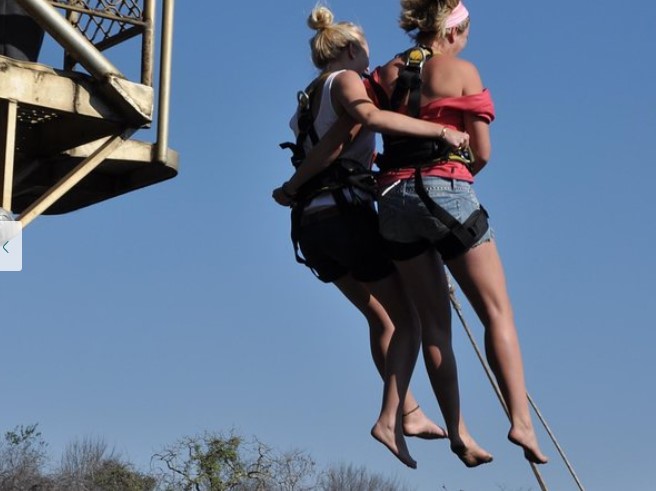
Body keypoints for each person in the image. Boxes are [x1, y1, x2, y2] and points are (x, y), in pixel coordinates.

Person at [273, 4, 475, 468]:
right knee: (411, 321)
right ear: (348, 48)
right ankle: (391, 418)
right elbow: (363, 126)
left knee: (381, 319)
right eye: (364, 50)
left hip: (312, 224)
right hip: (345, 215)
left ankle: (410, 411)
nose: (371, 58)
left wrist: (291, 188)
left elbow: (327, 142)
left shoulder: (308, 94)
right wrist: (439, 131)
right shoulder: (346, 81)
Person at [368, 0, 548, 464]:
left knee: (433, 324)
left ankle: (457, 432)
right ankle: (520, 422)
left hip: (392, 201)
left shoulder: (385, 74)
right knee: (496, 312)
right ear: (452, 32)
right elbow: (482, 153)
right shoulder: (461, 70)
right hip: (445, 192)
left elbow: (366, 126)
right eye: (465, 32)